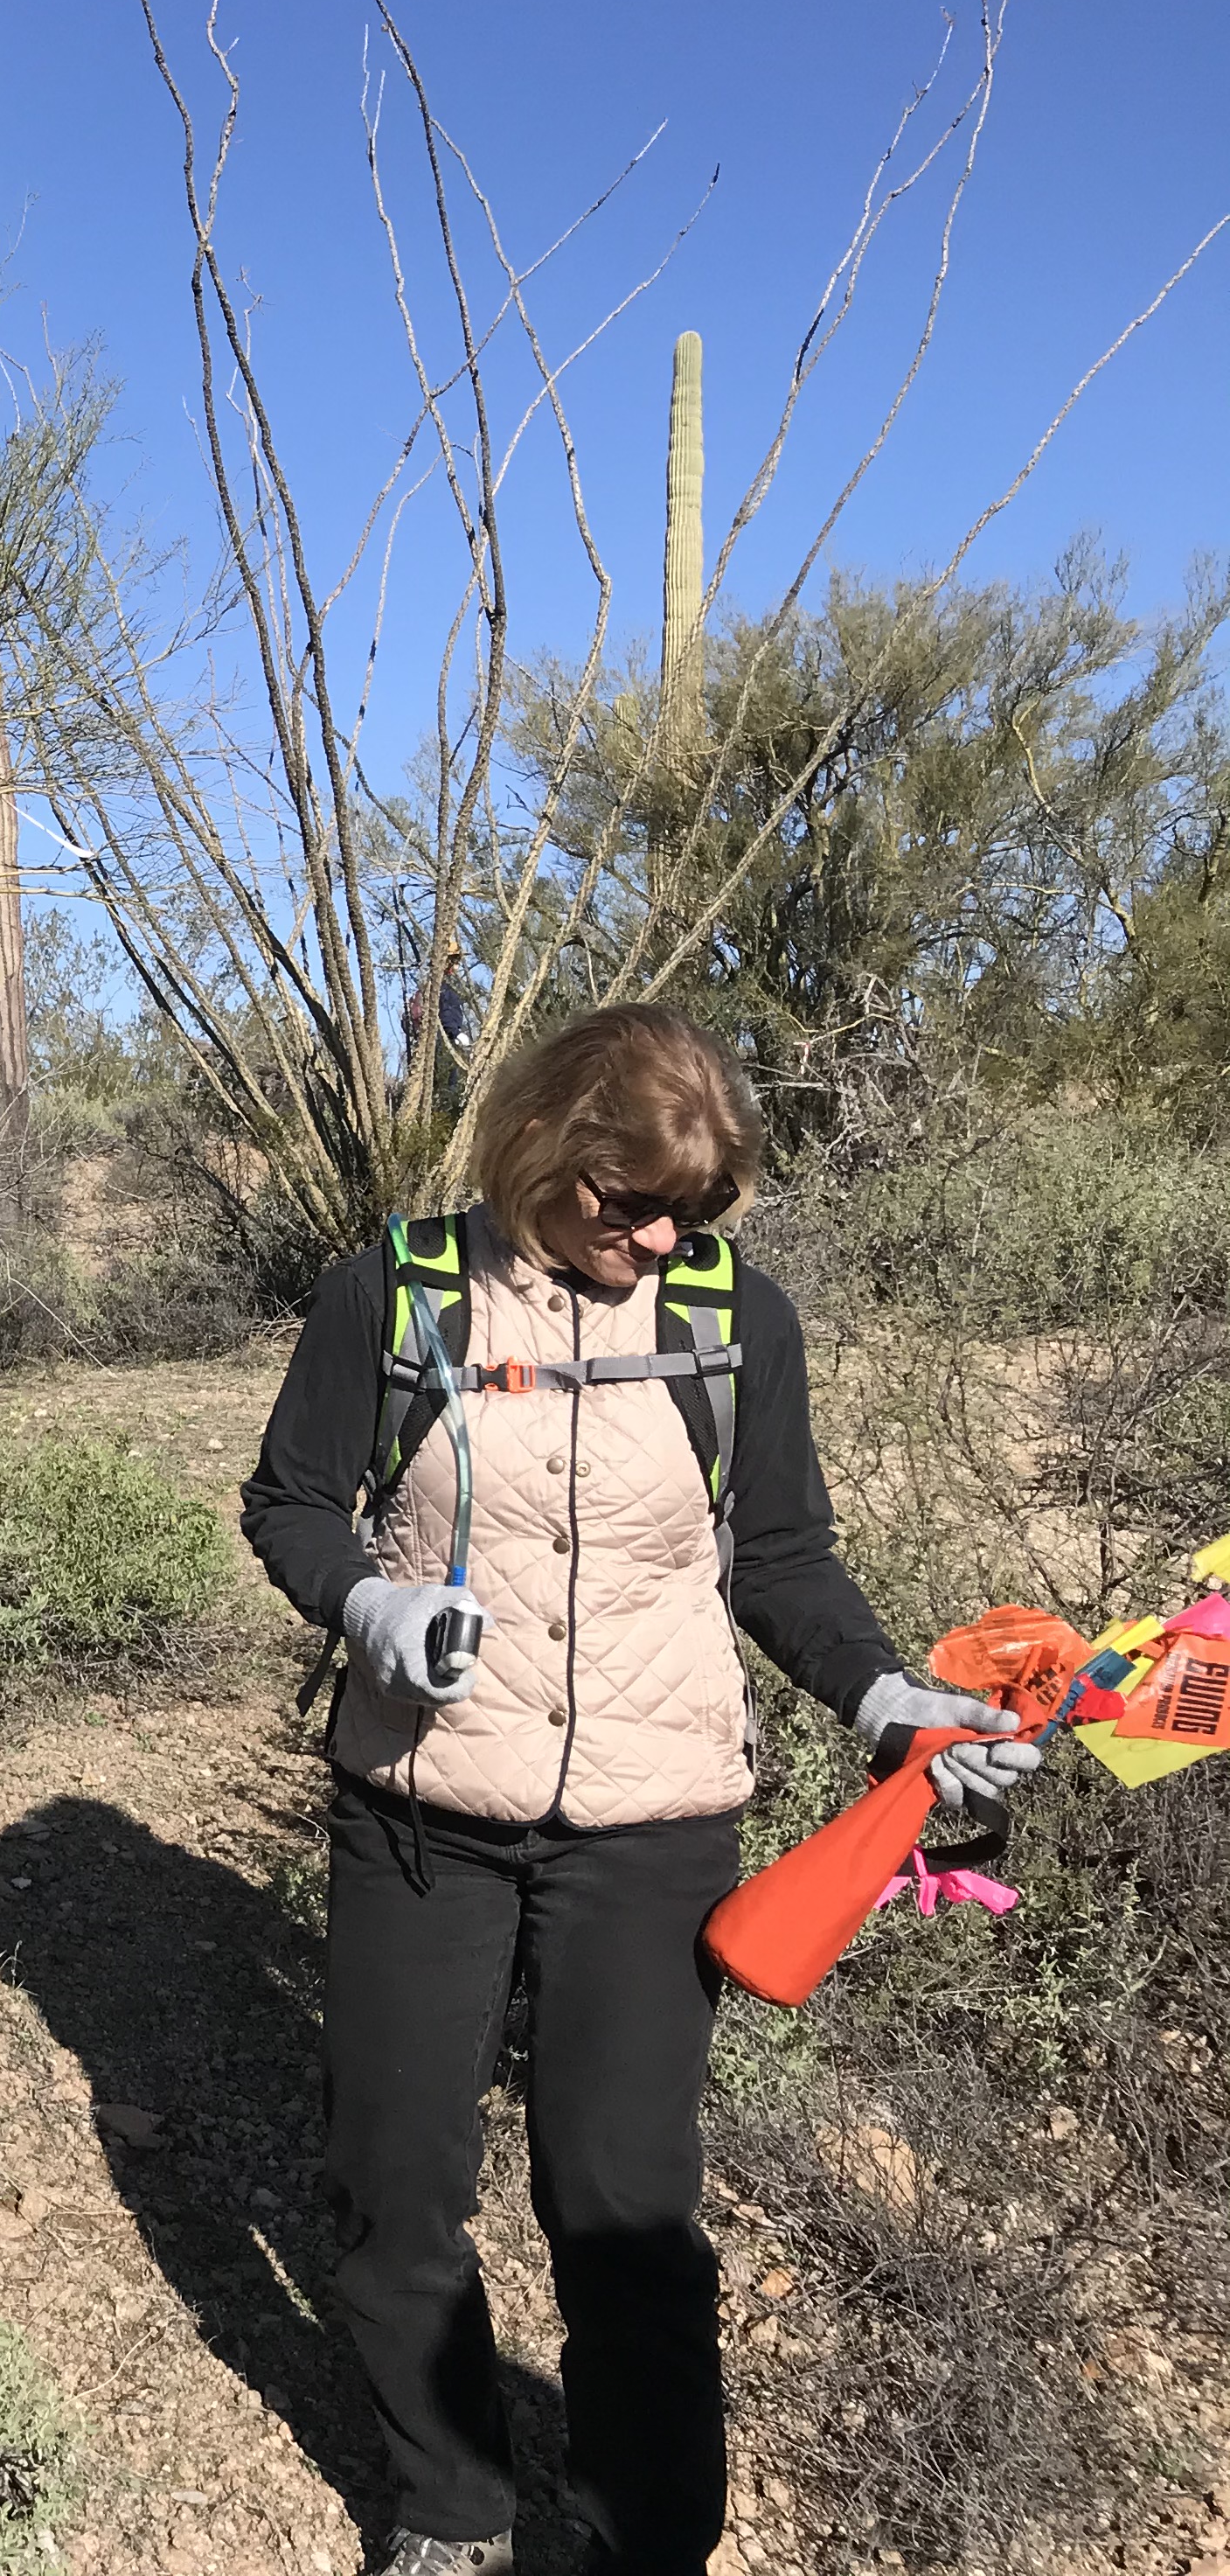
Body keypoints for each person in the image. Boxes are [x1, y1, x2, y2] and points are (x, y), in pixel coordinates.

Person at [239, 1004, 1033, 2576]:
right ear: (543, 1152)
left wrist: (885, 1698)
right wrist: (367, 1604)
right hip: (421, 1812)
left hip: (655, 1825)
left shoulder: (735, 1323)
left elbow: (784, 1556)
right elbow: (287, 1503)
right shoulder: (395, 1295)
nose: (660, 1235)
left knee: (624, 2214)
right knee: (393, 2185)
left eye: (698, 1210)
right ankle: (453, 2506)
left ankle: (641, 2541)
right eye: (630, 1203)